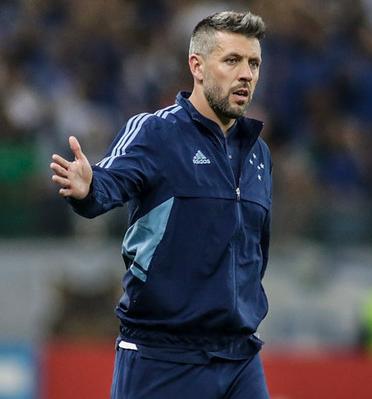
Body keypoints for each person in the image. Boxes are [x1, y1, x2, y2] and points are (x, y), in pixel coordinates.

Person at [49, 11, 272, 399]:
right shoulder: (157, 133)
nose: (246, 75)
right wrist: (88, 188)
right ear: (197, 67)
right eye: (232, 61)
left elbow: (257, 248)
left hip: (239, 357)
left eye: (253, 63)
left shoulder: (258, 154)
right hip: (163, 357)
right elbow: (108, 184)